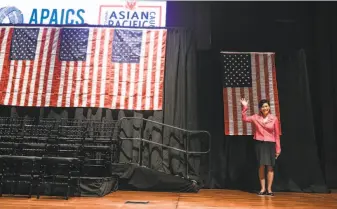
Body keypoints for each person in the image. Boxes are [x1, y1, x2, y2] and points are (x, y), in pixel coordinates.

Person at [240, 98, 281, 196]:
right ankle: (262, 189)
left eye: (266, 106)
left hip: (270, 144)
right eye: (263, 107)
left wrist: (278, 148)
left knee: (270, 167)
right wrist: (245, 107)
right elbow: (245, 119)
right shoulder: (255, 117)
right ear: (260, 109)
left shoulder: (274, 118)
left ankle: (269, 189)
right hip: (259, 144)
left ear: (269, 107)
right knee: (261, 166)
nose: (265, 108)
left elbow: (277, 134)